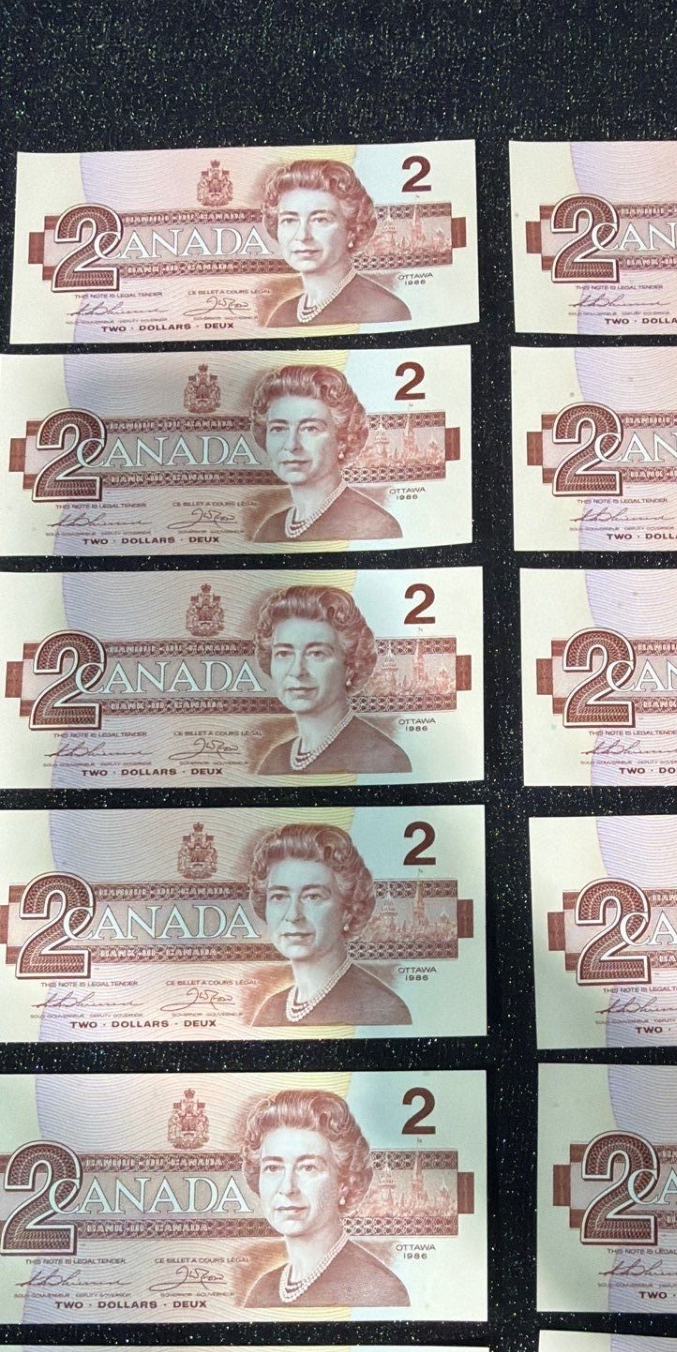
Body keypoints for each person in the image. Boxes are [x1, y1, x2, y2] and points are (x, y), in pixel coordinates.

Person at [237, 1088, 410, 1307]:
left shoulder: (379, 1291)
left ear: (345, 1182)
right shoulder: (262, 1291)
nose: (287, 1188)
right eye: (273, 1168)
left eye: (308, 1167)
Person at [248, 822, 411, 1027]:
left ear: (348, 909)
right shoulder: (270, 1009)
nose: (293, 915)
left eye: (313, 896)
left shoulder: (382, 1010)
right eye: (279, 896)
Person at [253, 585, 411, 775]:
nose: (297, 671)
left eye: (316, 653)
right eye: (284, 653)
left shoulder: (383, 759)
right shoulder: (274, 761)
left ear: (351, 665)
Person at [249, 365, 402, 544]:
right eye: (278, 429)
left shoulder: (373, 525)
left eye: (310, 428)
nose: (291, 445)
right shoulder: (269, 528)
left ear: (343, 439)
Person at [261, 158, 411, 328]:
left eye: (320, 220)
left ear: (352, 229)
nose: (302, 235)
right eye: (289, 220)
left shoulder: (383, 311)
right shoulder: (282, 315)